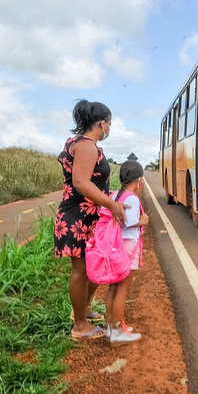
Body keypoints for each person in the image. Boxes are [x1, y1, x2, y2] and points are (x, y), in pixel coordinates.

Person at [54, 99, 128, 340]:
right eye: (110, 124)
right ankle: (79, 326)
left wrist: (111, 199)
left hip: (86, 216)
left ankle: (83, 311)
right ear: (102, 123)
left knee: (93, 266)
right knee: (82, 271)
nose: (110, 128)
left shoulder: (78, 142)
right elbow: (81, 182)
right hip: (79, 217)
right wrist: (111, 204)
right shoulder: (87, 146)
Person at [105, 160, 148, 347]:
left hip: (113, 245)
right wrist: (143, 220)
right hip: (127, 247)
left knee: (113, 288)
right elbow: (129, 222)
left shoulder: (114, 195)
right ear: (138, 181)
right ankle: (117, 332)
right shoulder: (132, 198)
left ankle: (110, 328)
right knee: (123, 288)